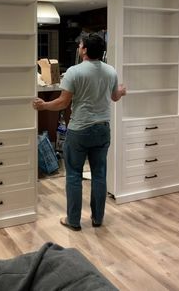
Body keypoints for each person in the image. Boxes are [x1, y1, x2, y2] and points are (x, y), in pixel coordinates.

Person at [33, 33, 126, 231]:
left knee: (74, 174)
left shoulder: (75, 72)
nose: (79, 47)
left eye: (80, 44)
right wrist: (122, 90)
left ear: (84, 49)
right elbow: (115, 97)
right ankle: (97, 219)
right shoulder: (110, 71)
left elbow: (63, 102)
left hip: (80, 130)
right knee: (99, 174)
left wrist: (43, 105)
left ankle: (73, 221)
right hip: (102, 129)